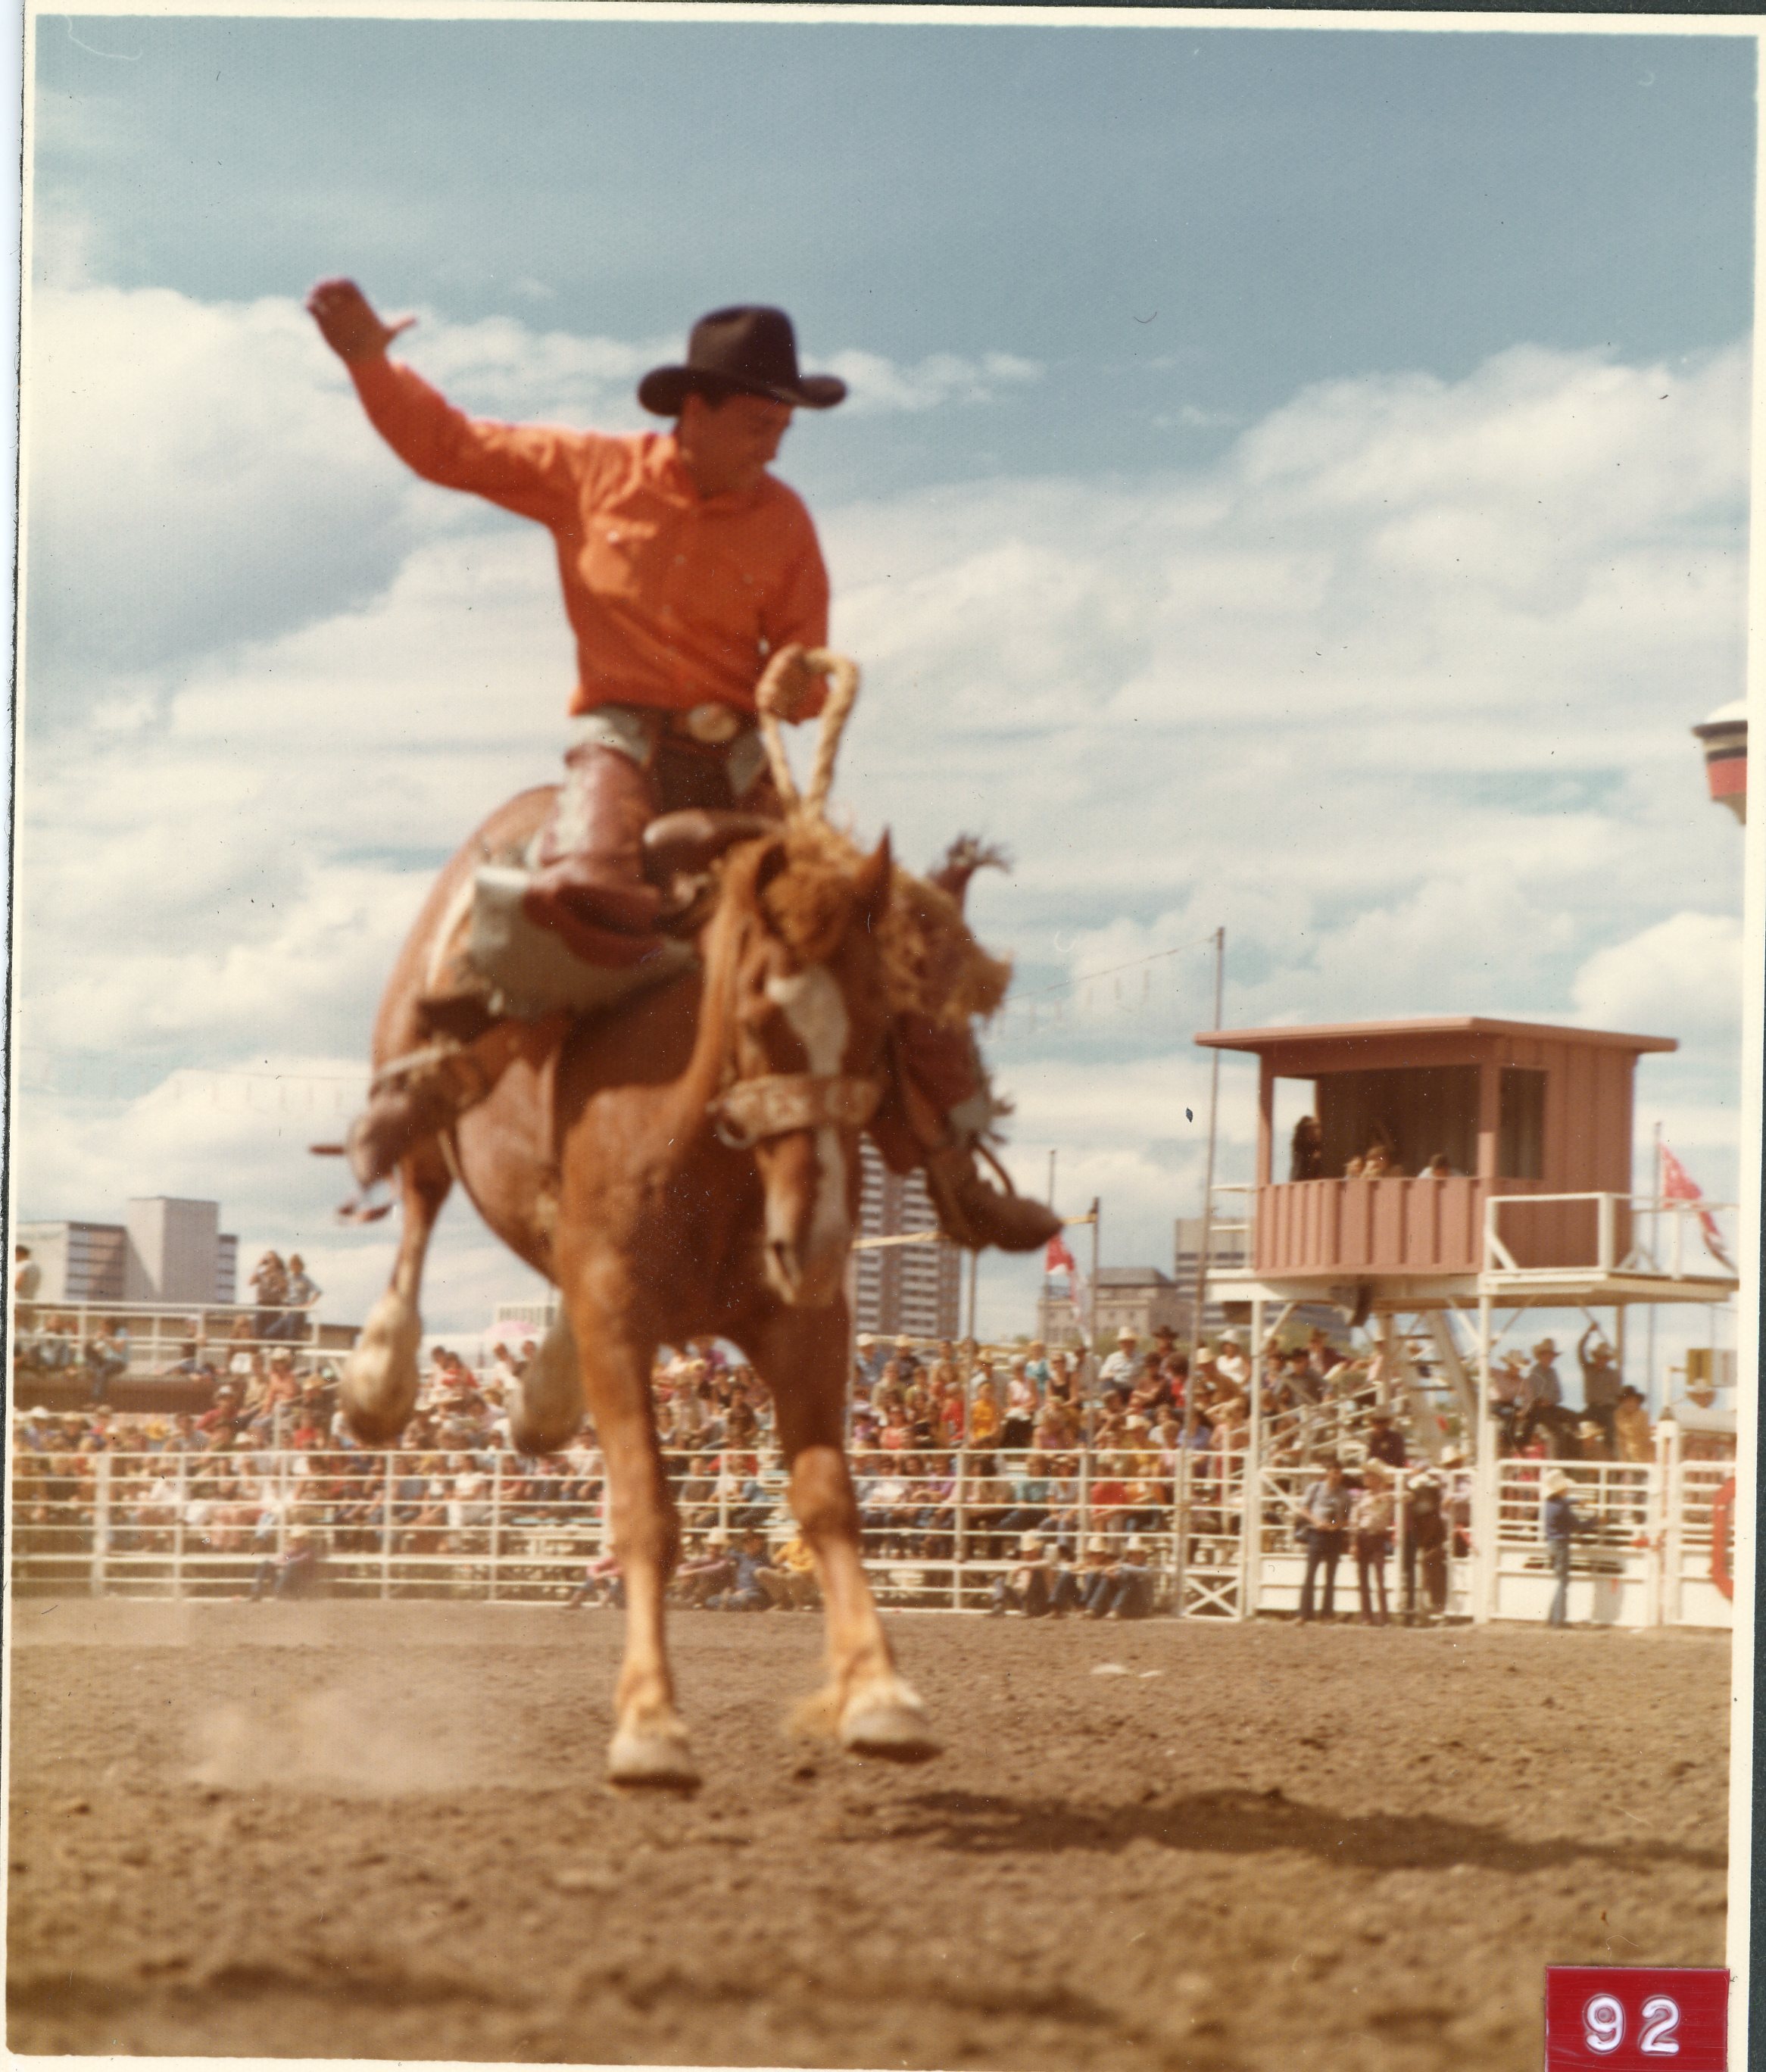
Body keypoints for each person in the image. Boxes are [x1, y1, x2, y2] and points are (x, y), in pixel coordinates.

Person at [306, 279, 1059, 1258]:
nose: (775, 444)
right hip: (622, 744)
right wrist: (370, 362)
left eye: (784, 426)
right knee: (578, 887)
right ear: (691, 412)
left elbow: (802, 658)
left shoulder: (786, 524)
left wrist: (794, 688)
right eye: (757, 422)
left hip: (737, 756)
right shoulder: (586, 473)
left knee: (877, 927)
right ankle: (447, 1073)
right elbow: (449, 446)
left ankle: (961, 1168)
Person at [1297, 1459, 1353, 1622]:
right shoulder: (1315, 1488)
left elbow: (1348, 1517)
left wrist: (1337, 1526)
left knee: (1331, 1576)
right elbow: (1304, 1509)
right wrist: (1316, 1522)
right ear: (1327, 1472)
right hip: (1317, 1533)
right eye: (1334, 1472)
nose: (1336, 1476)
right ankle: (1304, 1613)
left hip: (1334, 1535)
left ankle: (1326, 1613)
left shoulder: (1345, 1494)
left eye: (1339, 1472)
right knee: (1310, 1574)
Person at [1543, 1468, 1590, 1627]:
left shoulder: (1551, 1503)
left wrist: (1577, 1501)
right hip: (1561, 1544)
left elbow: (1565, 1502)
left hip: (1552, 1542)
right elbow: (1578, 1525)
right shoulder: (1561, 1508)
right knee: (1563, 1581)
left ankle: (1553, 1618)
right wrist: (1596, 1521)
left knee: (1561, 1580)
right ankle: (1558, 1620)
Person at [1351, 1464, 1393, 1624]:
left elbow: (1383, 1513)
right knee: (1363, 1578)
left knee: (1380, 1578)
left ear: (1377, 1478)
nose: (1365, 1478)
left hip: (1378, 1536)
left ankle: (1384, 1616)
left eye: (1369, 1475)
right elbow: (1355, 1520)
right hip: (1363, 1535)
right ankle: (1366, 1616)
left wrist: (1380, 1500)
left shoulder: (1386, 1497)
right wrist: (1353, 1542)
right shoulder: (1362, 1497)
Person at [1577, 1325, 1621, 1453]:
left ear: (1607, 1360)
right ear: (1595, 1357)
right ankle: (1578, 1458)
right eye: (1599, 1357)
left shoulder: (1613, 1374)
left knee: (1611, 1428)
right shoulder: (1588, 1369)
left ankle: (1609, 1458)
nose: (1601, 1360)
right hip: (1591, 1408)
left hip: (1607, 1409)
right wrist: (1588, 1333)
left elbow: (1617, 1395)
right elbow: (1580, 1350)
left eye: (1604, 1358)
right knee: (1575, 1424)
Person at [1289, 1114, 1324, 1181]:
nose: (1317, 1131)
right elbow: (1300, 1169)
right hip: (1300, 1181)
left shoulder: (1317, 1146)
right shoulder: (1300, 1147)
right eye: (1313, 1128)